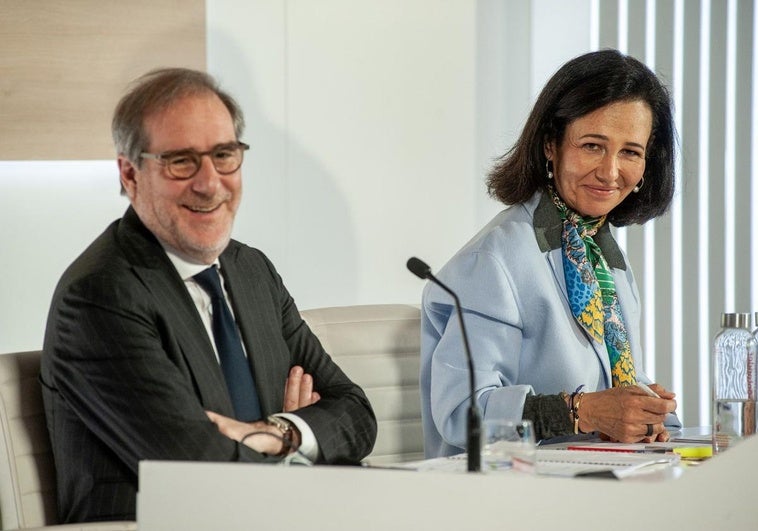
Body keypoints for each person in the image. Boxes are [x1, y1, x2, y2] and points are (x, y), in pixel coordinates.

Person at [40, 68, 377, 523]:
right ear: (130, 172)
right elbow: (202, 472)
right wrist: (301, 444)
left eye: (224, 155)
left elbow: (356, 414)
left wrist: (279, 432)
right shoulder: (100, 295)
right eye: (181, 160)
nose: (210, 182)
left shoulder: (251, 270)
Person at [420, 49, 681, 458]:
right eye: (593, 146)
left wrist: (648, 412)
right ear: (550, 146)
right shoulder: (495, 260)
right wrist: (585, 412)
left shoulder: (604, 256)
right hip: (510, 497)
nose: (611, 172)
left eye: (630, 151)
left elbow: (612, 382)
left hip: (592, 481)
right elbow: (462, 413)